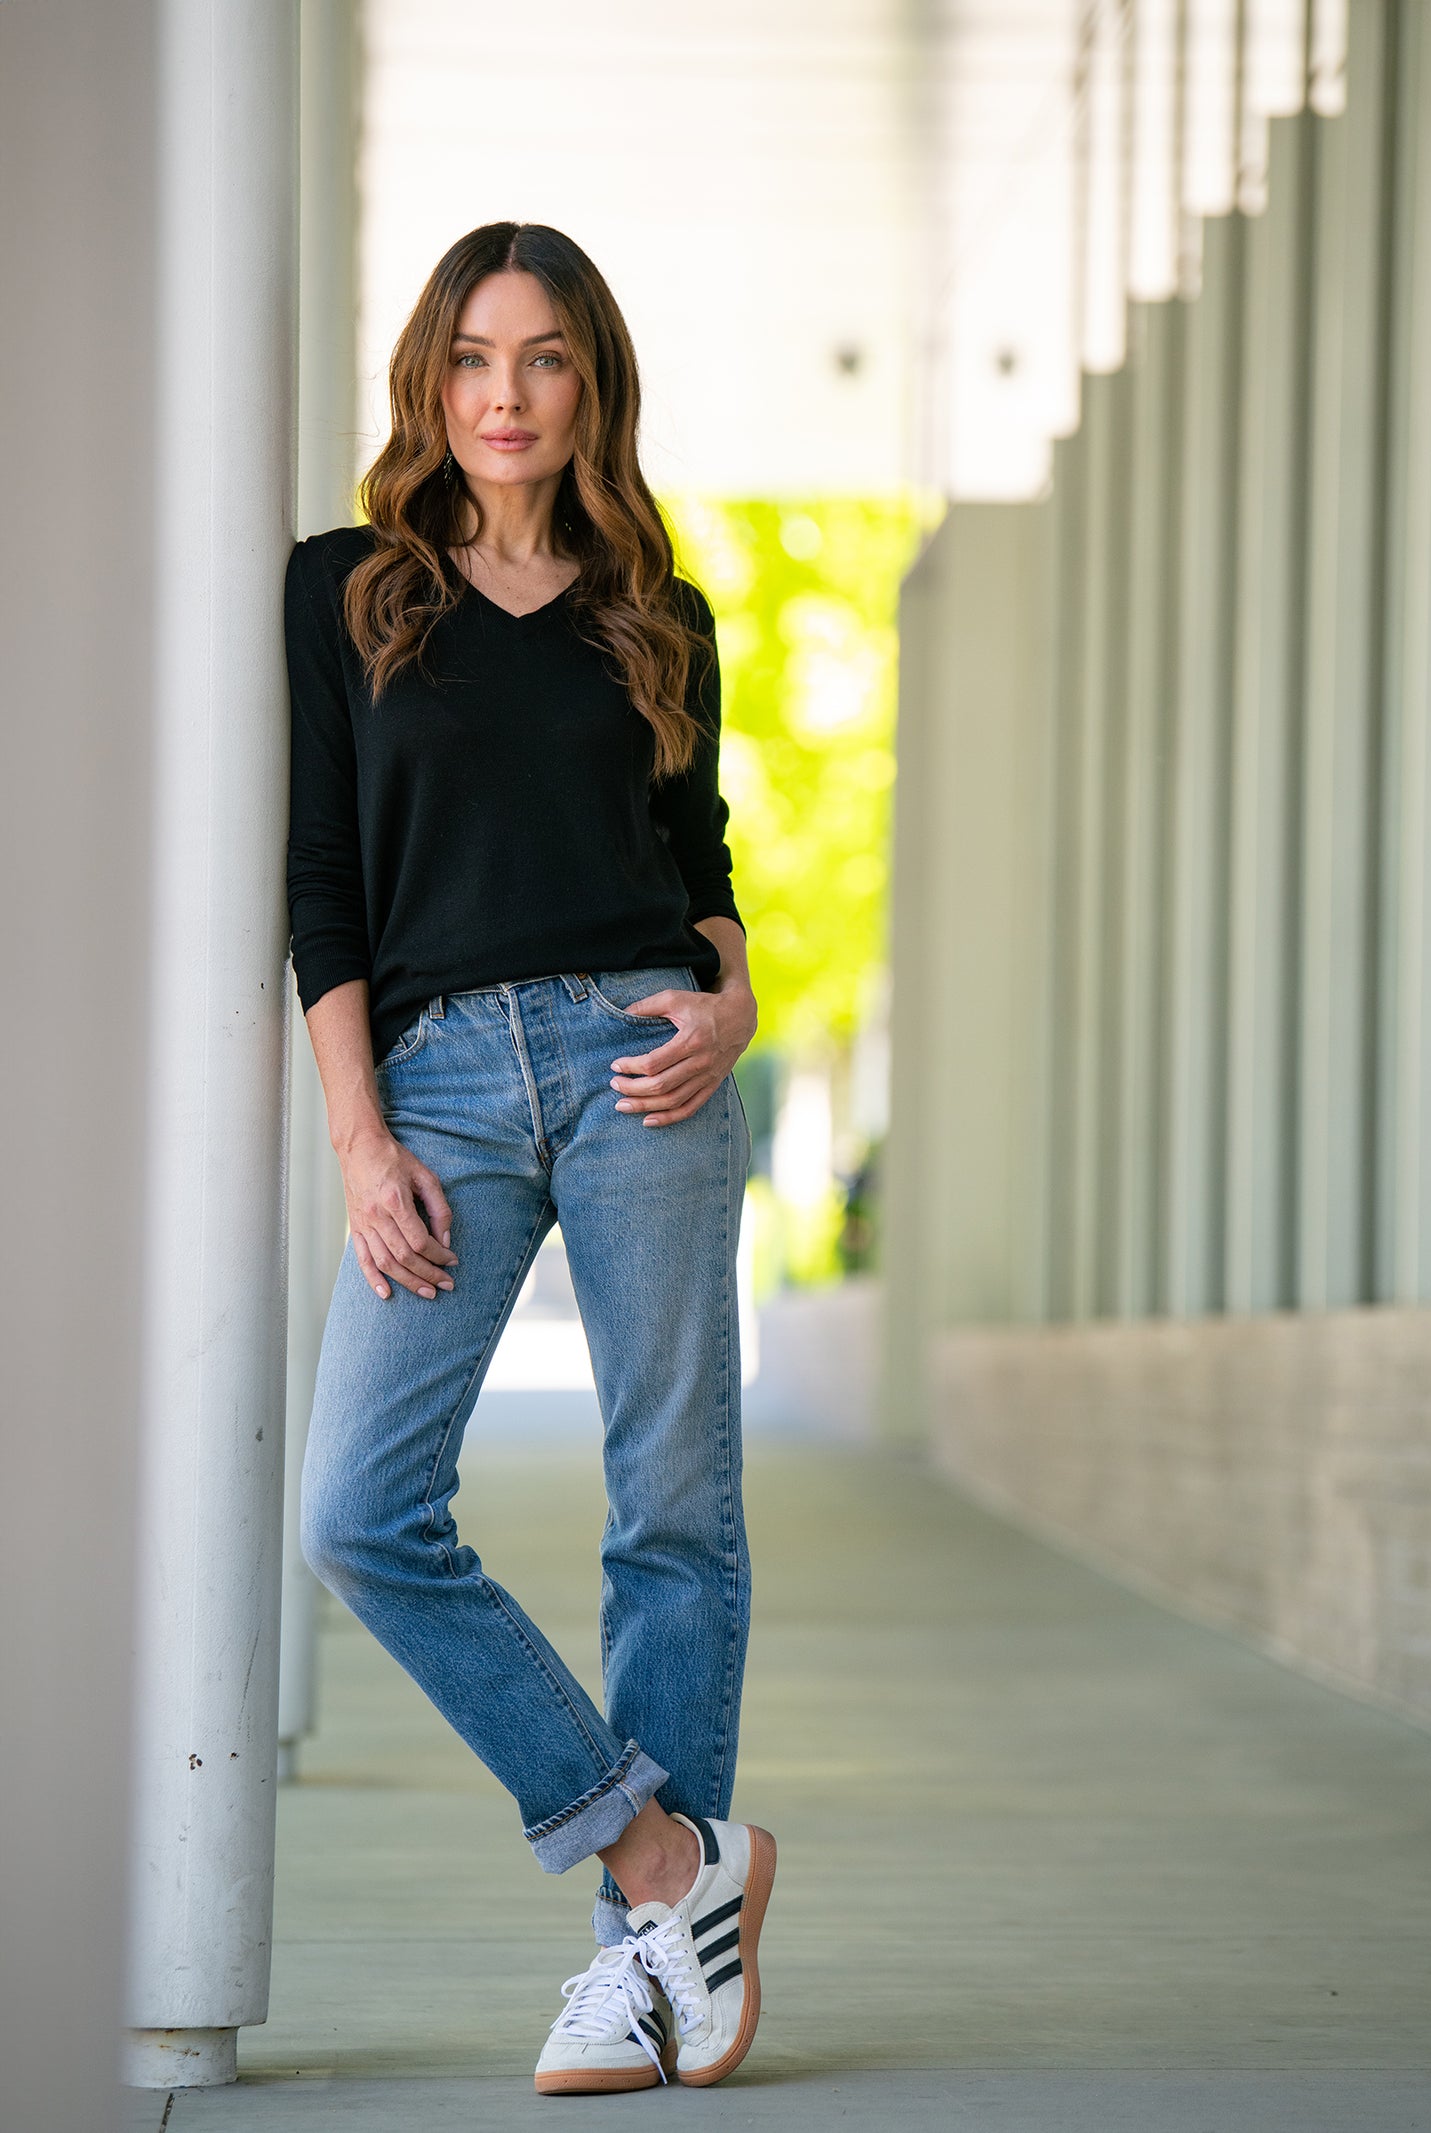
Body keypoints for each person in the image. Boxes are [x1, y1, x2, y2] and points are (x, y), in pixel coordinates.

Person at [285, 221, 774, 2096]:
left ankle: (648, 1970)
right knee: (360, 1506)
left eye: (546, 357)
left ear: (592, 385)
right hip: (444, 1086)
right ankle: (665, 1862)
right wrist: (359, 1132)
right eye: (477, 357)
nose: (506, 394)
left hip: (648, 1059)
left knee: (673, 1510)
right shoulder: (347, 592)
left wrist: (725, 1001)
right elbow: (322, 882)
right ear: (432, 377)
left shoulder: (661, 610)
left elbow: (704, 870)